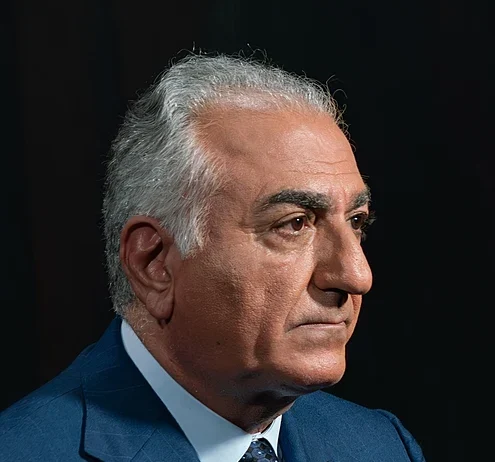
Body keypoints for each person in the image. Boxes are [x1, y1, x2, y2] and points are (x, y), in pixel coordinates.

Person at [0, 53, 426, 461]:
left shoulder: (381, 446)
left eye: (356, 221)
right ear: (154, 265)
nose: (356, 275)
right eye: (295, 223)